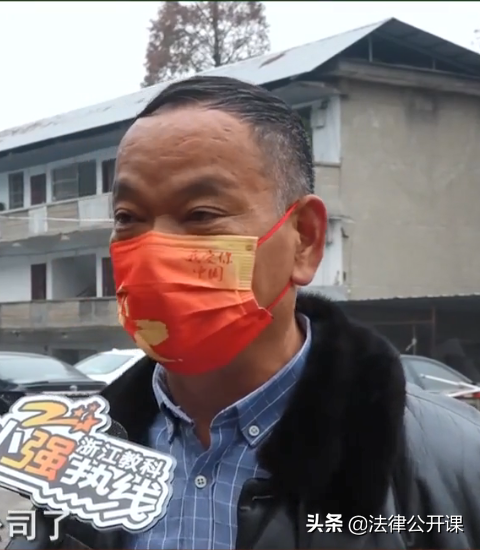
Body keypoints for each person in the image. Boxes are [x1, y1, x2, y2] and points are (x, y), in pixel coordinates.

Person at [54, 76, 480, 549]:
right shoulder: (73, 455)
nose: (154, 252)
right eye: (128, 218)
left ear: (305, 239)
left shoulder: (451, 459)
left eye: (201, 214)